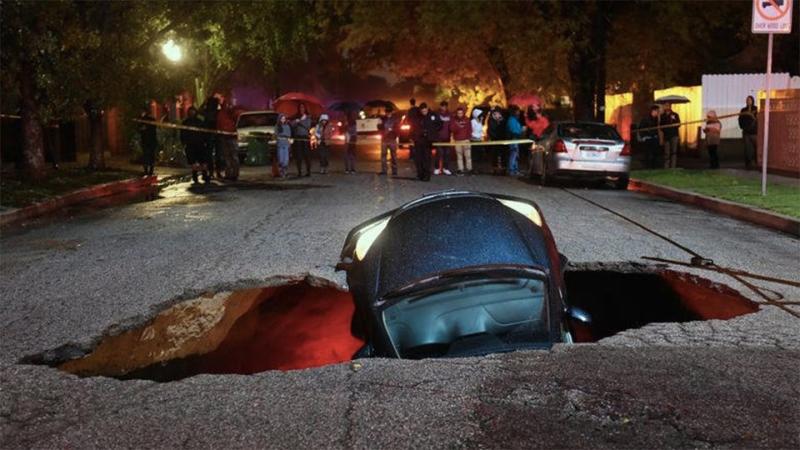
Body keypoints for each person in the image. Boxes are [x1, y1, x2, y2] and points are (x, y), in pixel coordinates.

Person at [410, 102, 441, 181]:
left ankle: (427, 175)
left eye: (425, 111)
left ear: (427, 109)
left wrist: (432, 132)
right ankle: (420, 174)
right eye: (422, 111)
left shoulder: (433, 115)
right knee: (419, 159)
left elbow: (439, 124)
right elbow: (413, 127)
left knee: (427, 159)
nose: (424, 113)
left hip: (428, 141)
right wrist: (413, 137)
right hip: (418, 140)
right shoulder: (417, 117)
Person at [181, 107, 210, 183]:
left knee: (200, 161)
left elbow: (204, 132)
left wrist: (205, 141)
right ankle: (197, 176)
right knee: (195, 161)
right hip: (193, 144)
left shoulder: (197, 122)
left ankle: (201, 175)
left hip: (198, 144)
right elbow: (183, 133)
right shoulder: (187, 122)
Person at [216, 100, 239, 181]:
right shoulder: (220, 114)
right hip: (224, 137)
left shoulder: (232, 114)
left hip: (231, 137)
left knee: (233, 156)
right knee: (227, 157)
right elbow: (218, 125)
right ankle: (229, 173)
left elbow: (236, 121)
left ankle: (234, 173)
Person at [202, 95, 222, 179]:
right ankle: (214, 172)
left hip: (215, 135)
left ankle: (215, 172)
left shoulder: (217, 112)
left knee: (216, 155)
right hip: (211, 135)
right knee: (212, 155)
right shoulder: (210, 112)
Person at [292, 103, 312, 177]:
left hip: (305, 137)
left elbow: (308, 126)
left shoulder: (308, 117)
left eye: (303, 107)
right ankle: (299, 172)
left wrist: (300, 121)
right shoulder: (296, 117)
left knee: (307, 155)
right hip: (298, 137)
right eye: (300, 108)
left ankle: (308, 171)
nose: (301, 109)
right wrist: (296, 121)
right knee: (298, 155)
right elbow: (292, 125)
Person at [450, 106, 472, 175]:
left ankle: (469, 169)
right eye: (458, 113)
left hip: (466, 140)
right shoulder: (454, 120)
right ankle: (460, 169)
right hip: (458, 140)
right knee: (459, 156)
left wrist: (468, 138)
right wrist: (456, 127)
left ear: (463, 113)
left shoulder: (467, 119)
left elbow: (470, 129)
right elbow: (452, 129)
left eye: (461, 113)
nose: (460, 114)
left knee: (468, 156)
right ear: (457, 113)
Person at [738, 95, 758, 169]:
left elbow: (758, 119)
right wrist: (743, 127)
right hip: (746, 132)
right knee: (747, 149)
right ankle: (748, 164)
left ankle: (757, 162)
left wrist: (752, 116)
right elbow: (740, 119)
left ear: (752, 101)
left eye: (749, 100)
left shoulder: (756, 109)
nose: (748, 101)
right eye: (747, 100)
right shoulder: (743, 110)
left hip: (754, 132)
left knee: (757, 148)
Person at [378, 107, 399, 175]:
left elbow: (397, 129)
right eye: (387, 112)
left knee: (392, 156)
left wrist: (393, 134)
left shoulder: (394, 119)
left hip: (390, 139)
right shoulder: (384, 119)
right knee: (386, 155)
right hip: (386, 139)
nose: (388, 114)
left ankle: (393, 170)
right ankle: (387, 170)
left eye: (388, 112)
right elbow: (379, 128)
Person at [138, 105, 158, 176]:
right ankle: (147, 170)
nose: (141, 112)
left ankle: (150, 170)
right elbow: (139, 129)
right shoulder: (141, 119)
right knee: (146, 155)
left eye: (142, 111)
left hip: (150, 140)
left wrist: (145, 128)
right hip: (145, 140)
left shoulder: (150, 119)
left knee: (150, 155)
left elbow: (153, 128)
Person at [433, 101, 452, 175]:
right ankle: (437, 168)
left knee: (447, 153)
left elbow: (452, 125)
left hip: (447, 137)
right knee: (439, 153)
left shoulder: (450, 115)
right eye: (442, 106)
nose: (443, 108)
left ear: (446, 107)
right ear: (440, 106)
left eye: (445, 106)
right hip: (438, 137)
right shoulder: (437, 114)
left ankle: (445, 168)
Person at [660, 103, 680, 169]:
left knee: (674, 152)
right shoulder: (662, 116)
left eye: (668, 106)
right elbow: (661, 126)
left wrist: (673, 124)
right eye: (665, 106)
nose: (666, 107)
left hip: (674, 135)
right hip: (666, 136)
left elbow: (678, 124)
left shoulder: (675, 115)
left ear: (670, 107)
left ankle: (673, 167)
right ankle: (666, 167)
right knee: (667, 152)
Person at [505, 105, 524, 176]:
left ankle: (515, 169)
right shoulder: (511, 120)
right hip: (513, 139)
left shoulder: (515, 120)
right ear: (515, 112)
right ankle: (511, 170)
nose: (519, 112)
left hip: (516, 139)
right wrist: (520, 131)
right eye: (518, 111)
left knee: (516, 155)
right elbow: (513, 130)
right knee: (513, 154)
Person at [488, 107, 506, 174]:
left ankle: (502, 169)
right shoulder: (491, 120)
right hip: (494, 140)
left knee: (502, 155)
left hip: (502, 140)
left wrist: (500, 122)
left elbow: (504, 129)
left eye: (498, 113)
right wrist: (494, 137)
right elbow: (490, 130)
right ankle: (495, 169)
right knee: (494, 155)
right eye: (496, 113)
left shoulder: (502, 120)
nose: (497, 115)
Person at [470, 108, 485, 172]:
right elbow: (471, 131)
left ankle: (479, 169)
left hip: (480, 140)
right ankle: (474, 169)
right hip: (474, 140)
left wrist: (481, 136)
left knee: (480, 155)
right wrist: (476, 137)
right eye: (481, 116)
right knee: (475, 155)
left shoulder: (480, 122)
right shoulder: (473, 122)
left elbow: (481, 131)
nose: (482, 117)